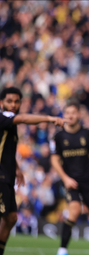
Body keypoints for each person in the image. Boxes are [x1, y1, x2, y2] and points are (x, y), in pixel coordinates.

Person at [0, 87, 65, 255]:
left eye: (16, 101)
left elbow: (5, 150)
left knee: (12, 217)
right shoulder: (4, 117)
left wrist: (18, 168)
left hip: (7, 177)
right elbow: (23, 118)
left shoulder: (8, 123)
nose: (13, 104)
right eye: (9, 101)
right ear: (1, 103)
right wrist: (49, 118)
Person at [50, 101, 89, 255]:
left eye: (73, 112)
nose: (70, 116)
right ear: (64, 115)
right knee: (74, 211)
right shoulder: (58, 136)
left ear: (79, 115)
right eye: (67, 113)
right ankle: (62, 250)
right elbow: (54, 160)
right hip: (71, 182)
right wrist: (65, 178)